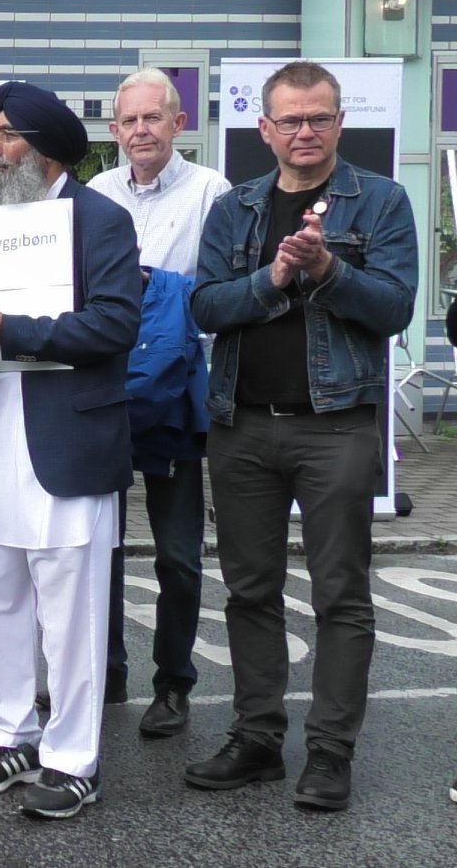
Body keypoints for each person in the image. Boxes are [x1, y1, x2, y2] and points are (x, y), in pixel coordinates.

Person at [187, 60, 417, 813]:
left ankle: (329, 752)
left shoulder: (380, 200)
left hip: (337, 427)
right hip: (242, 425)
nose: (306, 131)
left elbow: (394, 308)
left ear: (339, 122)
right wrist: (271, 281)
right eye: (291, 119)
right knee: (249, 591)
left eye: (319, 117)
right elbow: (206, 307)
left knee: (341, 594)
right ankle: (257, 738)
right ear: (266, 129)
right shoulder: (237, 207)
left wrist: (324, 271)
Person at [0, 81, 141, 821]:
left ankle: (73, 758)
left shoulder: (101, 220)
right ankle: (9, 734)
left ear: (42, 149)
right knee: (0, 592)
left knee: (72, 607)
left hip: (69, 437)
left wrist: (9, 330)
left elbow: (114, 327)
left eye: (4, 135)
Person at [86, 67, 233, 736]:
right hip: (105, 388)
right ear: (113, 131)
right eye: (129, 120)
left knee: (177, 552)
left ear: (179, 123)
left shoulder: (212, 193)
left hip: (174, 388)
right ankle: (104, 669)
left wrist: (154, 289)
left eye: (154, 117)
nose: (141, 130)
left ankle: (174, 681)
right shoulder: (96, 191)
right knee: (96, 547)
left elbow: (221, 289)